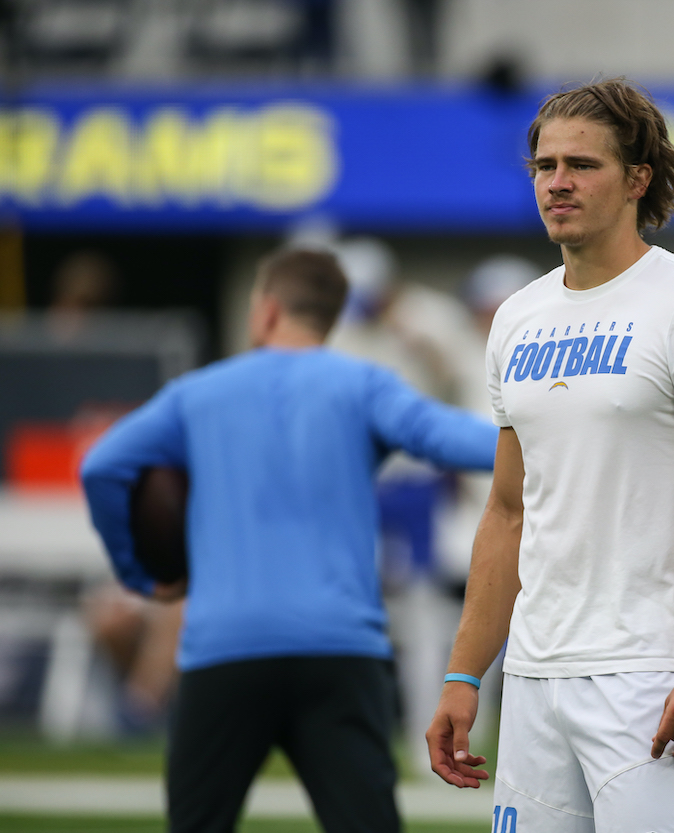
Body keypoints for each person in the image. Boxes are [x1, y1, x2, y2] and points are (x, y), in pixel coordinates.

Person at [425, 78, 674, 833]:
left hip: (650, 676)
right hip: (534, 675)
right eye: (544, 165)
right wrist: (462, 672)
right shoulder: (517, 316)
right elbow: (509, 509)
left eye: (581, 165)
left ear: (638, 179)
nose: (557, 182)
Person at [80, 248, 498, 833]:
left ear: (267, 309)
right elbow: (450, 439)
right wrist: (551, 440)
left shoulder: (197, 393)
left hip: (223, 649)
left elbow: (102, 467)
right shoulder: (363, 384)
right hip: (340, 649)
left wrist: (141, 573)